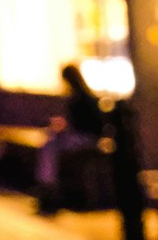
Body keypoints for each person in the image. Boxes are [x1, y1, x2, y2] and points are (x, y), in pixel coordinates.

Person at [34, 62, 109, 214]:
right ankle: (48, 186)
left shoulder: (78, 99)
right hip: (87, 138)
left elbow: (82, 126)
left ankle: (48, 187)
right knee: (51, 144)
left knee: (50, 146)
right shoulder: (86, 97)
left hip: (86, 140)